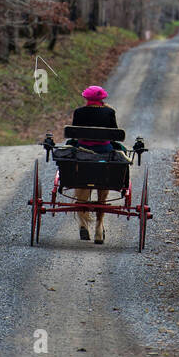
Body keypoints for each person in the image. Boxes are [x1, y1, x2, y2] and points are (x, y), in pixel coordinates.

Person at [71, 85, 123, 244]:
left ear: (86, 98)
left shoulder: (79, 112)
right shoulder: (110, 112)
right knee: (119, 151)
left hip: (83, 152)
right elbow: (114, 135)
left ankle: (82, 223)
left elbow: (74, 133)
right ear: (102, 99)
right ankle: (99, 228)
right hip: (103, 152)